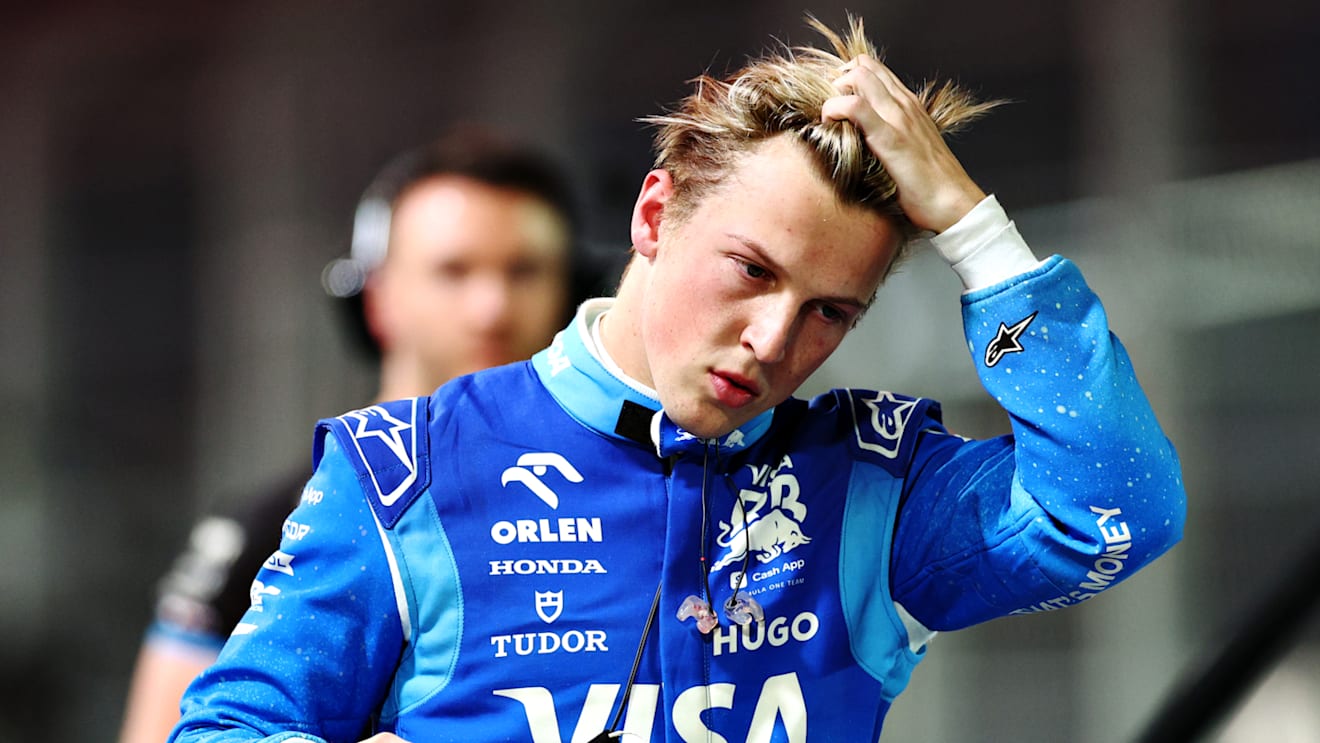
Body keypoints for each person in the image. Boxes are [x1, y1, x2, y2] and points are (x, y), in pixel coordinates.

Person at [169, 15, 1187, 743]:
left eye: (832, 310)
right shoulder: (408, 469)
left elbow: (1118, 508)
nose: (774, 338)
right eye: (751, 270)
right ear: (653, 216)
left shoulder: (876, 483)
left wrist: (978, 235)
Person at [118, 127, 591, 743]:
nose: (491, 307)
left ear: (576, 293)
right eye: (453, 270)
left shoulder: (618, 494)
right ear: (375, 298)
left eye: (525, 270)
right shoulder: (265, 524)